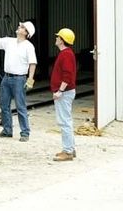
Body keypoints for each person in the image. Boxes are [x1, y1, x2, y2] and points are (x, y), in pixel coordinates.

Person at [0, 20, 37, 141]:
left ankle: (25, 133)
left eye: (21, 27)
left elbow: (32, 63)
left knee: (20, 106)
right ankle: (7, 130)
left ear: (26, 32)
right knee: (4, 105)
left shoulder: (28, 46)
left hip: (19, 79)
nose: (18, 26)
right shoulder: (9, 41)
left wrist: (30, 79)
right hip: (7, 78)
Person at [51, 28, 78, 161]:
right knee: (66, 120)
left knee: (64, 121)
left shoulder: (65, 54)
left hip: (64, 92)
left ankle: (67, 151)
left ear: (62, 40)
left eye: (58, 37)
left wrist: (59, 91)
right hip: (66, 91)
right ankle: (70, 149)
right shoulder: (67, 53)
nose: (56, 38)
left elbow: (67, 76)